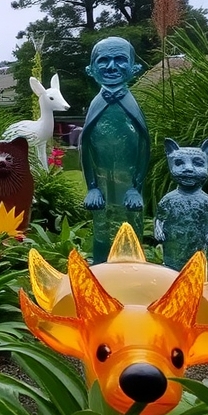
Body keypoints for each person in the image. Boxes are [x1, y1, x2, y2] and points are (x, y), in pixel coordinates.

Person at [80, 38, 150, 263]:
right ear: (91, 70)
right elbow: (85, 148)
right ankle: (101, 272)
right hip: (101, 187)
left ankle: (133, 272)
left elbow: (144, 147)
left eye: (120, 60)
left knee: (131, 229)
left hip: (129, 189)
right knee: (101, 228)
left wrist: (136, 188)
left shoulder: (132, 105)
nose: (111, 67)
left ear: (134, 68)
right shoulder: (95, 105)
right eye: (103, 61)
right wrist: (92, 187)